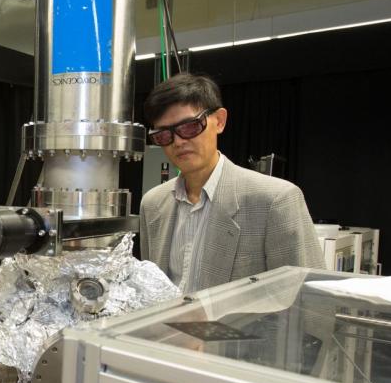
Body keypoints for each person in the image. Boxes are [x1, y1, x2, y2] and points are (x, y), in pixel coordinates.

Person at [138, 73, 324, 294]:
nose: (178, 142)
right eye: (163, 136)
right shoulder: (152, 204)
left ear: (219, 121)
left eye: (189, 127)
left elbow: (310, 299)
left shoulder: (274, 201)